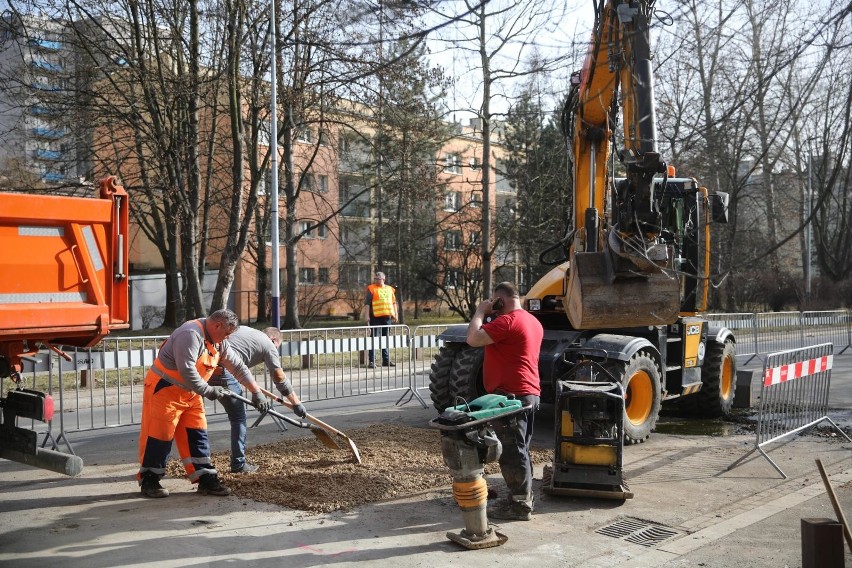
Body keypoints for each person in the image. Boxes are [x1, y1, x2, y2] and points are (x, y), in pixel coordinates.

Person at [136, 309, 272, 499]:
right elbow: (187, 371)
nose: (227, 338)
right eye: (226, 333)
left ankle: (205, 478)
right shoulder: (190, 334)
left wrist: (256, 392)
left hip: (190, 393)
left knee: (197, 434)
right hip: (165, 389)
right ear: (217, 325)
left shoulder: (219, 341)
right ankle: (150, 480)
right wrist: (209, 391)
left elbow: (238, 366)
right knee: (160, 437)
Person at [465, 281, 544, 521]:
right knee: (521, 449)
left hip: (513, 396)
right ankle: (523, 498)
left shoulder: (508, 321)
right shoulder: (533, 321)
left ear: (500, 300)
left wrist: (480, 311)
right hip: (529, 393)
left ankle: (519, 506)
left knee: (512, 451)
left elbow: (473, 338)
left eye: (494, 301)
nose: (493, 306)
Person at [209, 326, 307, 473]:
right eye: (277, 346)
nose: (276, 350)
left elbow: (239, 359)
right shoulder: (269, 345)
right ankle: (238, 464)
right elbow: (279, 377)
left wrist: (255, 390)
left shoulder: (245, 330)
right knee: (238, 418)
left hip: (206, 365)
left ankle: (199, 466)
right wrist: (296, 403)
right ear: (273, 339)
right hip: (223, 371)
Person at [363, 271, 398, 368]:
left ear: (383, 279)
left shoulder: (390, 289)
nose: (376, 280)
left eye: (378, 279)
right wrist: (367, 316)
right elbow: (367, 303)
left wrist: (396, 314)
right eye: (375, 278)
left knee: (385, 339)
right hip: (375, 318)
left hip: (387, 318)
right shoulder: (371, 288)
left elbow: (394, 303)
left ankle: (386, 360)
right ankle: (372, 361)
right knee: (374, 339)